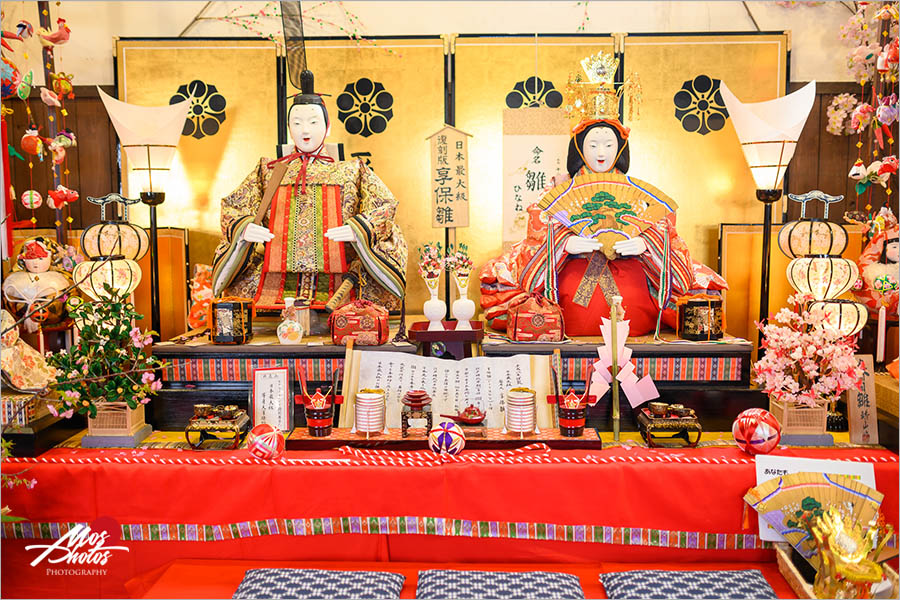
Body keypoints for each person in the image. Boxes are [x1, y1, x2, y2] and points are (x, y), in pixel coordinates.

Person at [480, 118, 726, 336]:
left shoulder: (637, 193)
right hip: (571, 268)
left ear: (620, 149)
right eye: (593, 144)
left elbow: (663, 227)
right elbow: (538, 228)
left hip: (629, 269)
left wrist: (646, 243)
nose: (601, 152)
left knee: (682, 296)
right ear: (578, 147)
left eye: (609, 145)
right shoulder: (557, 190)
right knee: (526, 286)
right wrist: (564, 243)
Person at [211, 70, 407, 316]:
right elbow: (234, 205)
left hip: (341, 283)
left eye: (313, 121)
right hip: (274, 281)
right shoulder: (268, 170)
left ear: (327, 127)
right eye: (297, 122)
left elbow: (385, 205)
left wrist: (361, 229)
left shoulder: (352, 170)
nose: (305, 129)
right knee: (238, 299)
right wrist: (244, 228)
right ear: (288, 127)